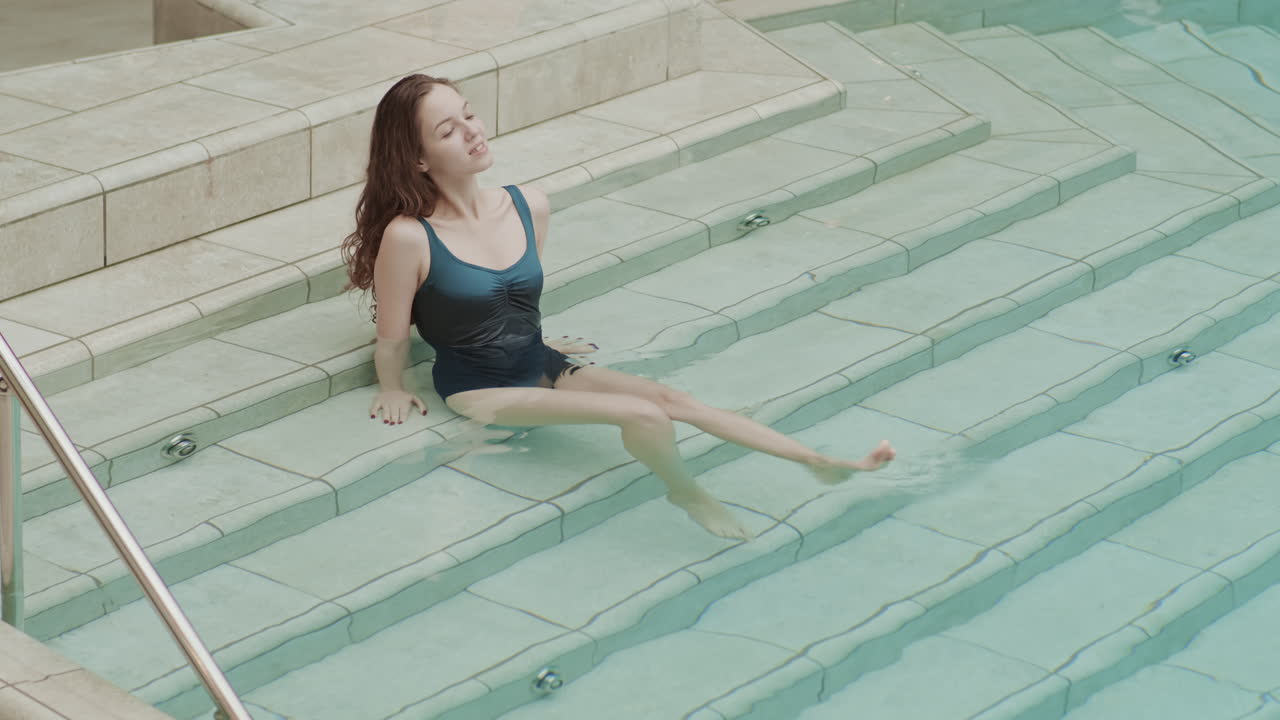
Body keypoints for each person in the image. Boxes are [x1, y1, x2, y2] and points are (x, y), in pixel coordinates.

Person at [341, 74, 896, 540]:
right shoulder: (409, 237)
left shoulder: (527, 204)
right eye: (448, 130)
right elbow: (391, 338)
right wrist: (393, 386)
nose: (472, 133)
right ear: (416, 158)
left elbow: (514, 298)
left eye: (469, 115)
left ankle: (819, 463)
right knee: (641, 413)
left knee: (672, 398)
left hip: (540, 361)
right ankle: (686, 492)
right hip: (479, 388)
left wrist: (538, 341)